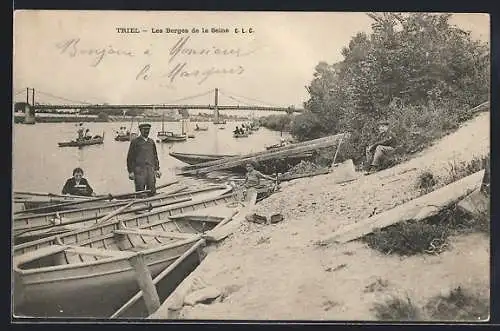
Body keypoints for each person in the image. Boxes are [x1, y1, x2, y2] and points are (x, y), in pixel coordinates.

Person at [127, 123, 161, 196]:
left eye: (148, 130)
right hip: (139, 171)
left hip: (150, 170)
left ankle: (152, 204)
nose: (146, 131)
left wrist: (157, 169)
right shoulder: (135, 142)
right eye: (145, 130)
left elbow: (155, 157)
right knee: (140, 192)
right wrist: (131, 172)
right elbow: (130, 158)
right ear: (140, 130)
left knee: (152, 191)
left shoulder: (151, 142)